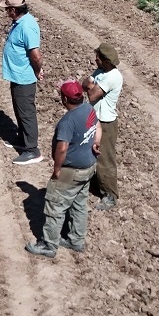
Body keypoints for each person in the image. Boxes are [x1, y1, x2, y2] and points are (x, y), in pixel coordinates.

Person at [25, 81, 99, 258]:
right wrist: (96, 142)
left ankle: (49, 245)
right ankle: (76, 240)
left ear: (64, 98)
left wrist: (57, 169)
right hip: (89, 166)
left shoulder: (68, 121)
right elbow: (98, 126)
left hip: (71, 171)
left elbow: (62, 148)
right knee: (79, 204)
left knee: (55, 206)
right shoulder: (89, 109)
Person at [0, 0, 43, 165]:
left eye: (7, 9)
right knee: (19, 110)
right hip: (17, 75)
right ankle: (23, 140)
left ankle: (33, 150)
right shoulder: (19, 22)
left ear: (13, 10)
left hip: (24, 78)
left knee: (26, 113)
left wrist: (37, 70)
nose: (6, 12)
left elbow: (36, 55)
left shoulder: (27, 26)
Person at [82, 42, 124, 211]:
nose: (95, 60)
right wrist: (91, 86)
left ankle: (110, 195)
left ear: (106, 61)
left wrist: (91, 86)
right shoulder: (100, 71)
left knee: (105, 158)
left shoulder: (112, 76)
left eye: (98, 58)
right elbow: (85, 84)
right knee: (91, 153)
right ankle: (96, 183)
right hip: (94, 118)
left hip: (105, 123)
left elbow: (91, 95)